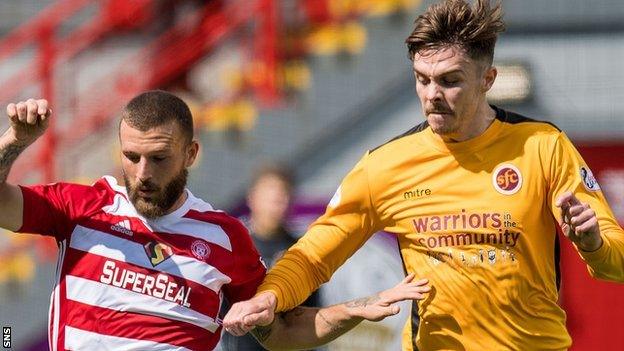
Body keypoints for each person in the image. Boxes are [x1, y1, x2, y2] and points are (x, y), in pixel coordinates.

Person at [222, 1, 624, 350]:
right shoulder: (386, 164)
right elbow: (313, 256)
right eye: (422, 79)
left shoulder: (543, 145)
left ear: (487, 80)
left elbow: (615, 264)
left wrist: (591, 245)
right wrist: (272, 296)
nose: (432, 94)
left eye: (450, 81)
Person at [0, 92, 430, 350]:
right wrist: (14, 143)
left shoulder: (226, 238)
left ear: (190, 154)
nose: (143, 173)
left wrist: (357, 308)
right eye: (132, 157)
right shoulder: (83, 206)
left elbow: (279, 332)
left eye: (159, 158)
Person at [220, 164, 320, 350]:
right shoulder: (232, 246)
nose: (277, 203)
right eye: (270, 196)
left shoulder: (301, 249)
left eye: (282, 196)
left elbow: (312, 312)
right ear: (253, 198)